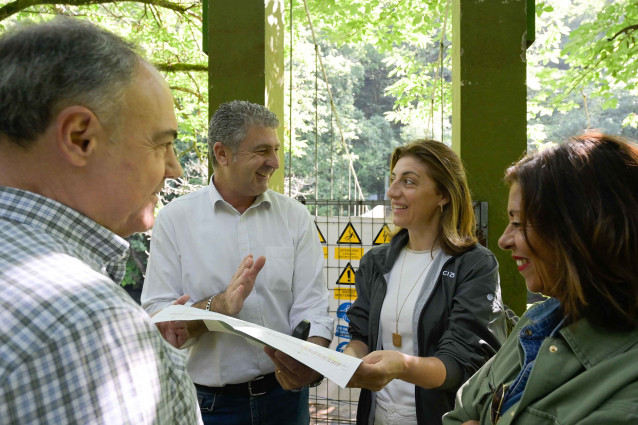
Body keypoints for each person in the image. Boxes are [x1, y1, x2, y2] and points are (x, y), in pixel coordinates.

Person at [0, 18, 202, 424]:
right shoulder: (86, 328)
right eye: (161, 143)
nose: (175, 168)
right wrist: (136, 346)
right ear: (80, 137)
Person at [141, 100, 334, 425]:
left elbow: (312, 308)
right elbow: (158, 316)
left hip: (286, 398)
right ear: (222, 153)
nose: (274, 162)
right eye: (261, 151)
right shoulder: (176, 218)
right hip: (211, 406)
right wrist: (218, 306)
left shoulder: (295, 216)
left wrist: (310, 361)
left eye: (275, 149)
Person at [443, 131, 638, 425]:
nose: (503, 240)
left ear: (583, 231)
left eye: (519, 223)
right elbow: (460, 413)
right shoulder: (536, 320)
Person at [345, 139, 508, 425]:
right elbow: (360, 334)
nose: (392, 191)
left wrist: (400, 367)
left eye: (408, 181)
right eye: (393, 179)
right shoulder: (375, 262)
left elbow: (462, 363)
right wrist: (349, 361)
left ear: (443, 194)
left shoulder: (474, 264)